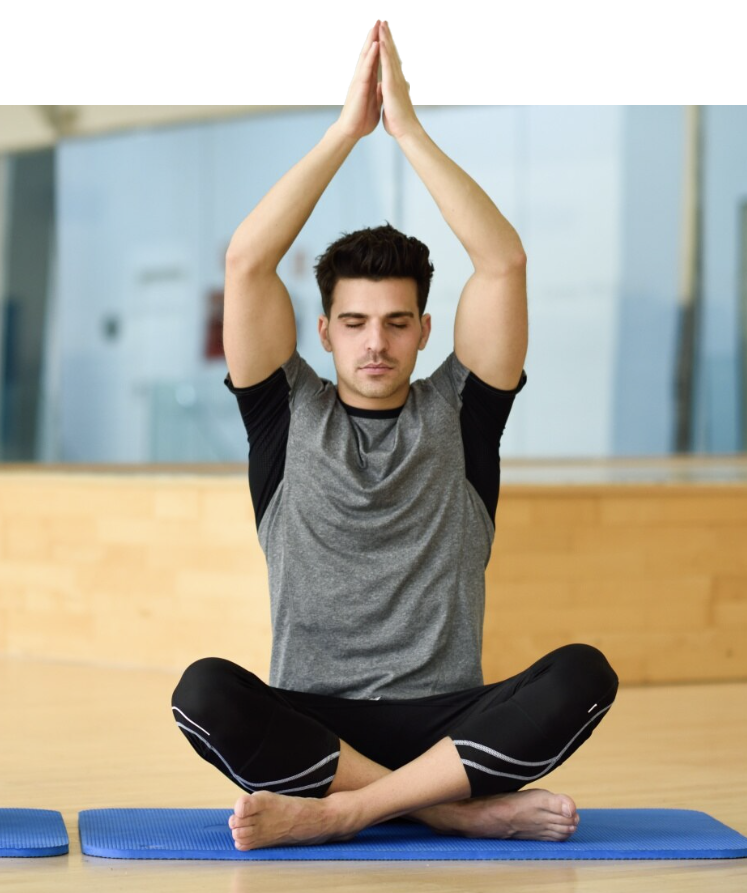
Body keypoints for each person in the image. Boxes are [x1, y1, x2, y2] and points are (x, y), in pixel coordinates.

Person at [170, 20, 618, 850]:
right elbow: (246, 263)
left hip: (445, 722)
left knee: (584, 674)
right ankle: (446, 809)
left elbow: (503, 264)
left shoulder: (464, 411)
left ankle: (349, 811)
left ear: (423, 331)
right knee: (202, 692)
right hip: (318, 725)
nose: (375, 341)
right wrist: (348, 130)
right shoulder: (282, 413)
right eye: (354, 322)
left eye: (396, 322)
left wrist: (406, 129)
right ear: (325, 330)